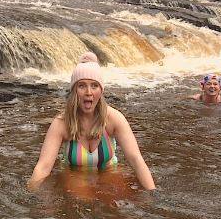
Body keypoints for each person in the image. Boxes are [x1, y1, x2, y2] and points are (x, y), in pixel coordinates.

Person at [28, 60, 156, 192]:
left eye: (94, 86)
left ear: (101, 91)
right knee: (82, 202)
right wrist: (30, 195)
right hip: (75, 174)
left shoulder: (114, 118)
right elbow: (43, 166)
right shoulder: (61, 123)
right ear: (74, 91)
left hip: (108, 171)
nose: (88, 92)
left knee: (115, 201)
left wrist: (152, 194)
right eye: (82, 86)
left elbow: (136, 160)